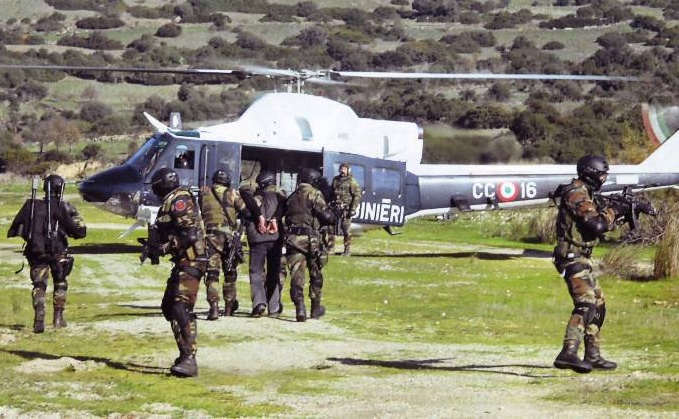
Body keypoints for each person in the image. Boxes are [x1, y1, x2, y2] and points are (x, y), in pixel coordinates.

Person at [552, 154, 625, 373]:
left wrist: (621, 211)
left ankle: (592, 355)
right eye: (602, 175)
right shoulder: (576, 193)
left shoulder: (587, 193)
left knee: (599, 306)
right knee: (586, 303)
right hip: (571, 257)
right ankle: (568, 353)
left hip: (582, 256)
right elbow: (596, 225)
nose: (604, 179)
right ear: (591, 174)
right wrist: (614, 211)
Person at [8, 174, 87, 333]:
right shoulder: (63, 207)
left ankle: (39, 315)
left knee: (39, 285)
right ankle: (58, 318)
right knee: (60, 282)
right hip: (58, 253)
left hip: (37, 252)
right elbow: (80, 232)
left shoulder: (31, 206)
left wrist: (32, 238)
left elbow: (15, 228)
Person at [149, 167, 207, 377]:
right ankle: (184, 354)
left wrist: (165, 247)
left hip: (192, 260)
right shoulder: (170, 201)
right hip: (183, 261)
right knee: (169, 307)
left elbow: (190, 234)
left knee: (181, 308)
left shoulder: (179, 199)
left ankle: (189, 358)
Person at [284, 168, 336, 322]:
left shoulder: (292, 197)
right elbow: (326, 216)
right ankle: (315, 308)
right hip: (312, 241)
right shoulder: (314, 193)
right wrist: (334, 214)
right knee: (316, 274)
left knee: (296, 275)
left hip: (293, 240)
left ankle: (300, 307)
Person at [238, 170, 286, 317]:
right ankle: (274, 307)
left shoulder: (256, 197)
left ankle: (259, 303)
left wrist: (257, 216)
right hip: (275, 238)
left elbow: (246, 212)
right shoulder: (281, 198)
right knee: (274, 272)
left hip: (258, 239)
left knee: (256, 272)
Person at [199, 170, 244, 319]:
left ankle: (214, 307)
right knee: (230, 272)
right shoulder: (232, 194)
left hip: (211, 237)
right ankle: (229, 307)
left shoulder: (204, 192)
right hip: (229, 238)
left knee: (212, 273)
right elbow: (245, 210)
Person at [331, 163, 362, 256]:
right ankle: (329, 248)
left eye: (344, 169)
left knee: (346, 230)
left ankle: (347, 250)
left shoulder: (352, 182)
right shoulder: (335, 180)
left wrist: (353, 209)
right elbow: (331, 192)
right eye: (341, 169)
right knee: (330, 228)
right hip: (335, 209)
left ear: (348, 170)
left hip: (346, 210)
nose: (342, 171)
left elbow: (357, 195)